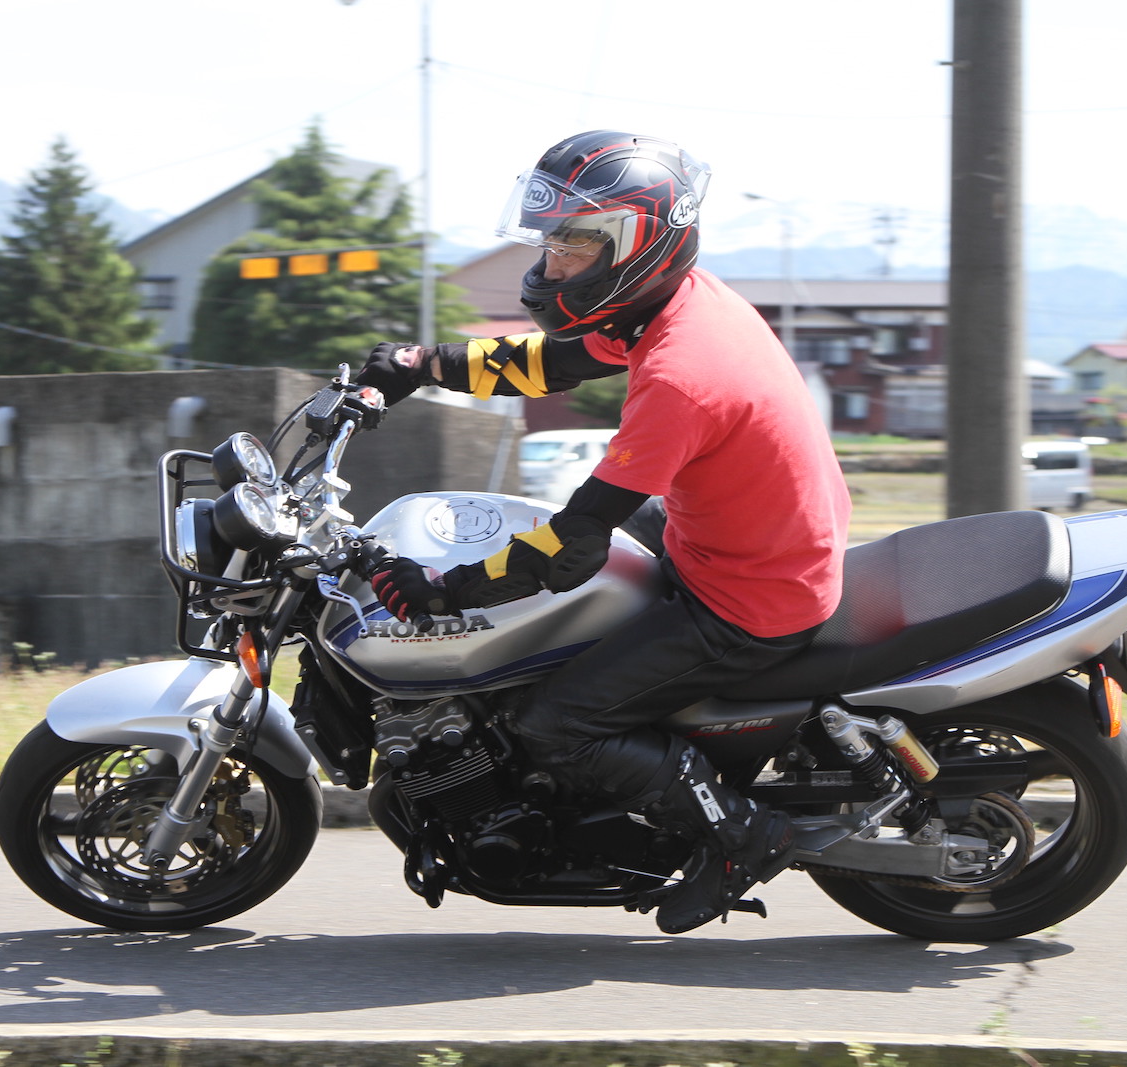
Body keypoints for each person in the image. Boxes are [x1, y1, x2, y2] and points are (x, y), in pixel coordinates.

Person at [357, 130, 852, 934]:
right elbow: (552, 362)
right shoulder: (675, 300)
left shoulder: (682, 374)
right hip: (737, 535)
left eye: (575, 245)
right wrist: (424, 364)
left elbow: (572, 544)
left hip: (751, 595)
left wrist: (445, 591)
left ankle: (741, 835)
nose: (551, 264)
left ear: (637, 246)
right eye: (551, 241)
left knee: (555, 723)